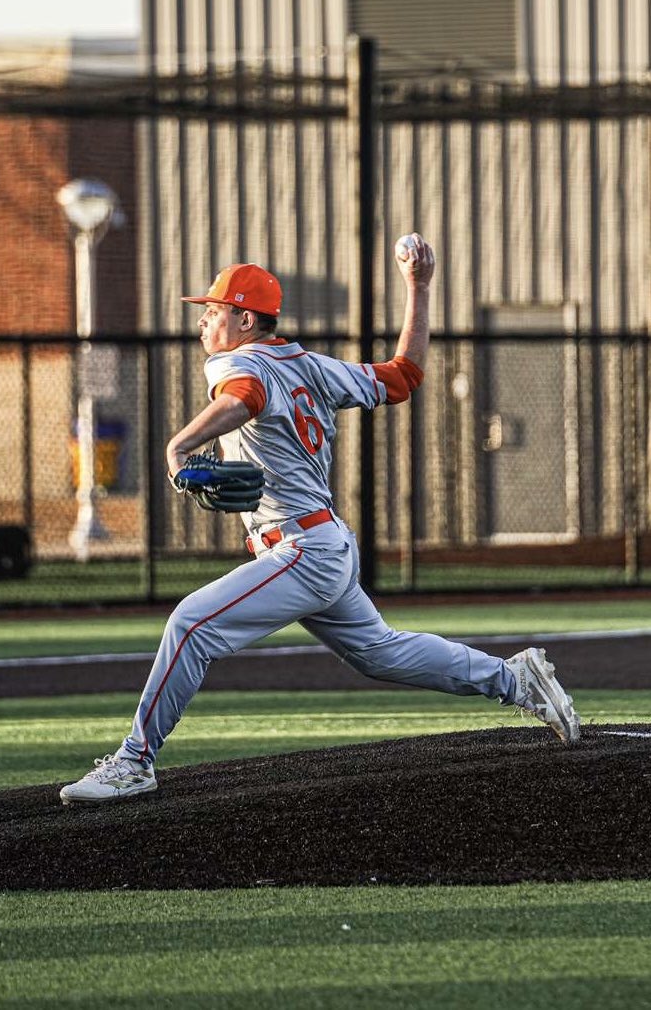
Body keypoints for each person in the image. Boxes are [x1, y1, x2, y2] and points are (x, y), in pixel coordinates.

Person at [60, 234, 580, 805]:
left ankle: (135, 761)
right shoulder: (312, 365)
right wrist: (419, 287)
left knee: (190, 625)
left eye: (213, 311)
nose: (204, 322)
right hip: (323, 542)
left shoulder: (240, 360)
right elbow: (403, 375)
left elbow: (244, 397)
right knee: (382, 652)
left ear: (245, 319)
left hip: (302, 552)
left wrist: (179, 445)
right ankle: (515, 679)